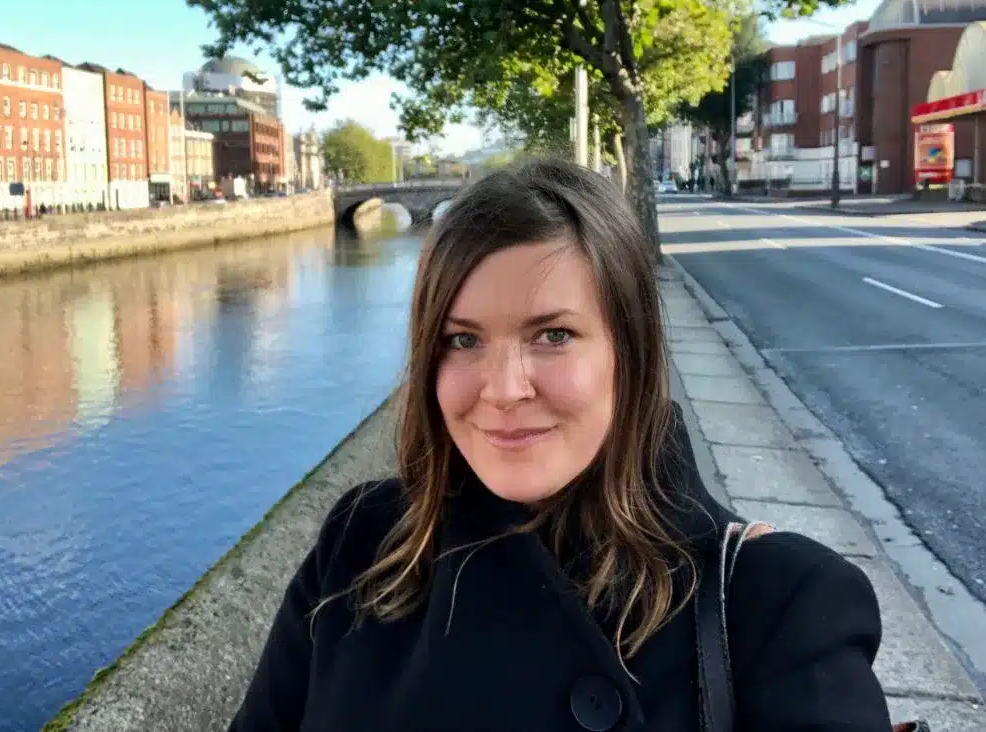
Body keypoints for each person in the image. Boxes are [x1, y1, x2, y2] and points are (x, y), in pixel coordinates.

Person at [229, 157, 892, 731]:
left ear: (627, 352)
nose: (504, 389)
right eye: (463, 340)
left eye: (553, 335)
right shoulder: (360, 546)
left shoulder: (778, 603)